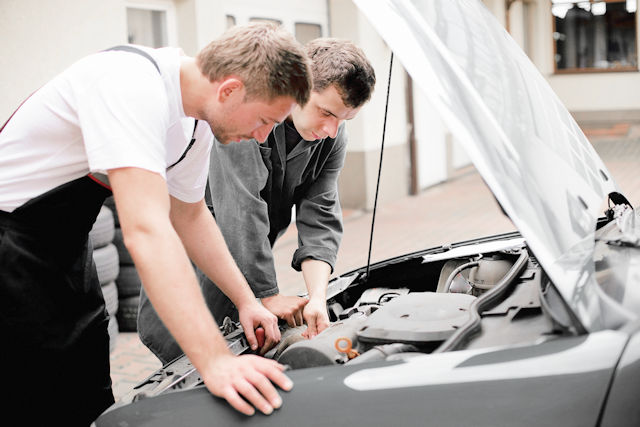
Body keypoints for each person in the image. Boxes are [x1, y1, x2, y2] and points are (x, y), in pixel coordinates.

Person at [0, 23, 311, 425]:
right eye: (266, 119)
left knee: (86, 385)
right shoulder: (130, 84)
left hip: (66, 247)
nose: (262, 135)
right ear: (230, 89)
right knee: (28, 394)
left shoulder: (194, 124)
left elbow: (191, 216)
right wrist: (214, 361)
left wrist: (247, 300)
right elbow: (147, 232)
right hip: (10, 244)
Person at [138, 38, 376, 363]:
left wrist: (318, 297)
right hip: (198, 252)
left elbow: (320, 214)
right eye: (327, 113)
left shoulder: (330, 137)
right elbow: (241, 208)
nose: (332, 130)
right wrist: (268, 294)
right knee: (187, 359)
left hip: (247, 261)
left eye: (344, 120)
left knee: (237, 345)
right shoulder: (250, 116)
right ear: (301, 88)